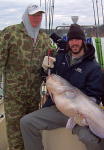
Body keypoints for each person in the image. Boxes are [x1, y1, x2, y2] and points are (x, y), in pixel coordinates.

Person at [20, 23, 104, 150]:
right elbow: (47, 77)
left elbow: (95, 97)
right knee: (26, 122)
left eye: (77, 39)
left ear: (83, 40)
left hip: (78, 115)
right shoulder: (59, 57)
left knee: (92, 139)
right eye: (71, 40)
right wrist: (44, 68)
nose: (74, 43)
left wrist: (84, 118)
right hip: (55, 108)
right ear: (68, 41)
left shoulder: (94, 67)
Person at [0, 3, 52, 150]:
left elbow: (51, 59)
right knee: (15, 131)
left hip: (33, 95)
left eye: (39, 15)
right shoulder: (10, 33)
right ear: (26, 15)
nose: (36, 18)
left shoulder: (44, 38)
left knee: (30, 130)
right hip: (14, 95)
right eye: (33, 15)